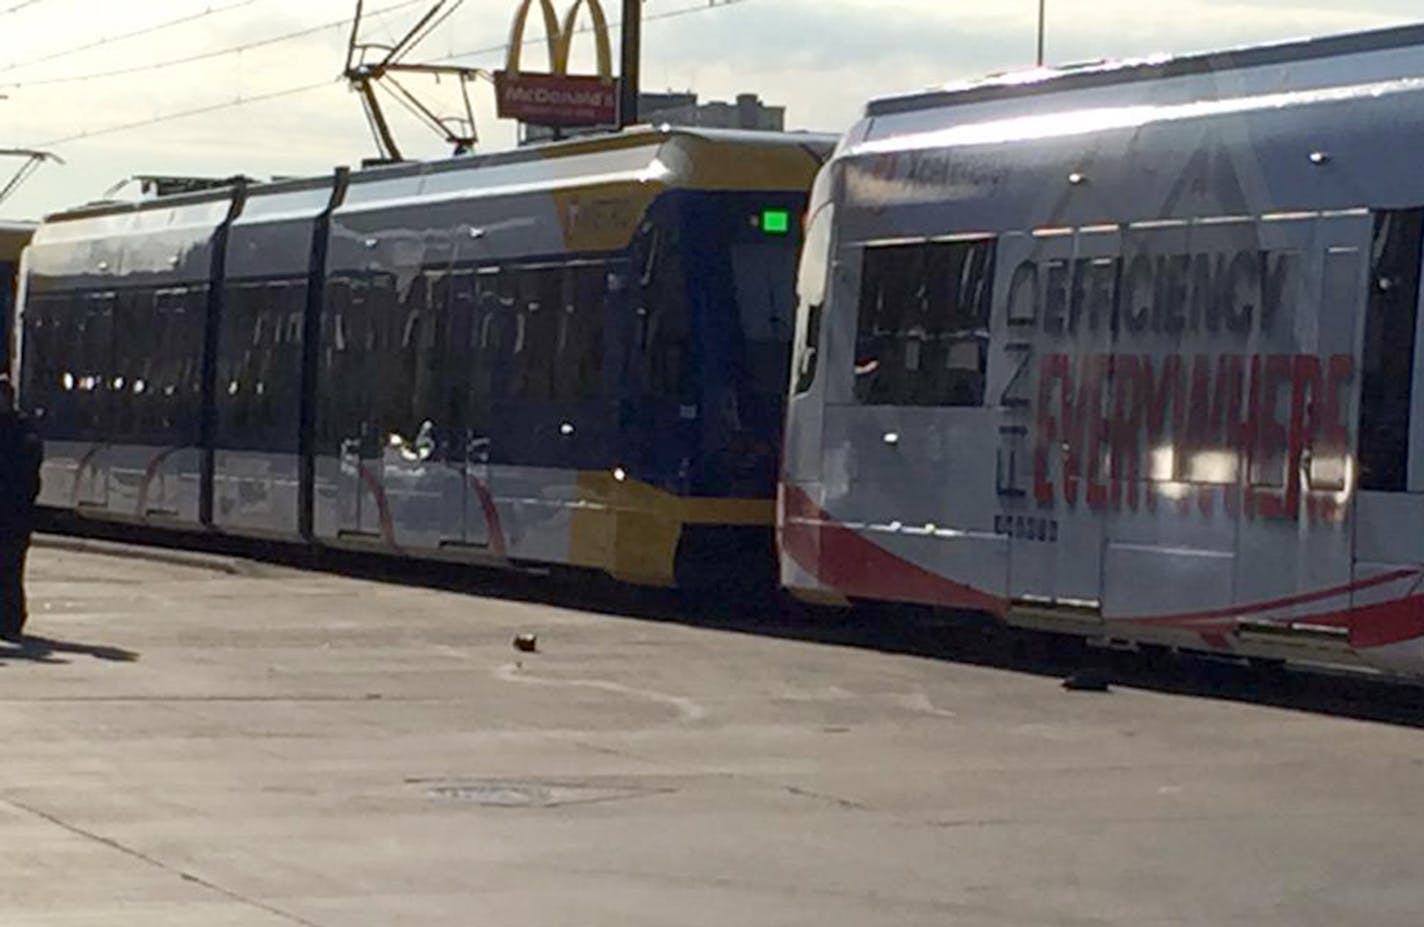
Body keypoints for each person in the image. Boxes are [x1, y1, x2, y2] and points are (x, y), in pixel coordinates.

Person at [0, 374, 42, 641]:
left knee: (10, 568)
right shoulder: (24, 429)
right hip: (14, 512)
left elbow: (27, 472)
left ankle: (10, 620)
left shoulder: (22, 430)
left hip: (12, 513)